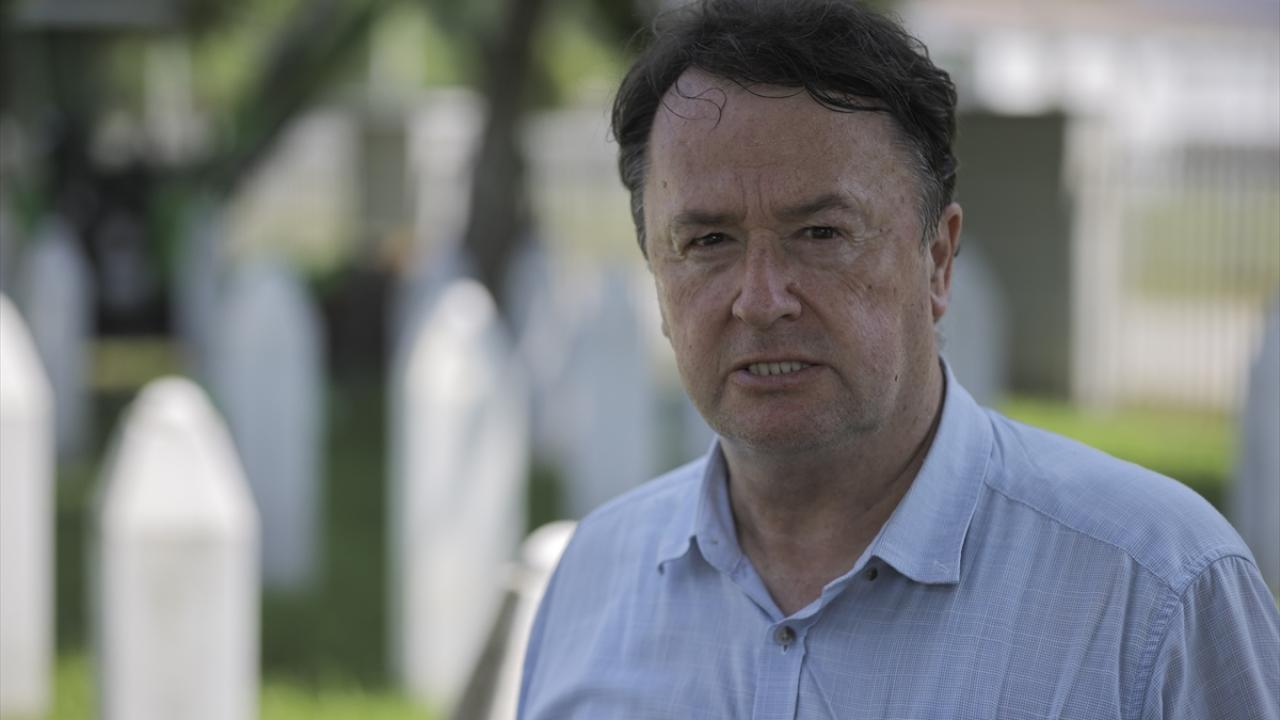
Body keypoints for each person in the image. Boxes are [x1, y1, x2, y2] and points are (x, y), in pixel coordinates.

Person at [518, 1, 1280, 717]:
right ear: (657, 271)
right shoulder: (593, 578)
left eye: (821, 234)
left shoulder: (1155, 591)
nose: (761, 299)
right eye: (708, 241)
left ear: (938, 259)